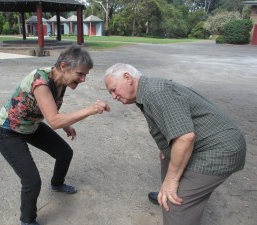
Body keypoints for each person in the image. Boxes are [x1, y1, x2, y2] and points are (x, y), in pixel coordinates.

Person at [103, 63, 246, 225]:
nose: (114, 97)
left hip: (221, 149)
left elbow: (185, 137)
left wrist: (172, 182)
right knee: (167, 157)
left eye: (113, 90)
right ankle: (166, 193)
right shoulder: (145, 90)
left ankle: (173, 197)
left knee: (175, 205)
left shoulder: (156, 92)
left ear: (128, 78)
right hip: (207, 142)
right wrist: (166, 147)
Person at [0, 45, 110, 225]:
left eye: (85, 75)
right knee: (32, 181)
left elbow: (51, 111)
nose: (84, 79)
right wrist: (91, 109)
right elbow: (54, 121)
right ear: (64, 66)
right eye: (80, 74)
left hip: (31, 126)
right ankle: (27, 220)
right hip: (9, 131)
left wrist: (67, 125)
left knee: (65, 153)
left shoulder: (60, 81)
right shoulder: (41, 81)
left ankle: (57, 184)